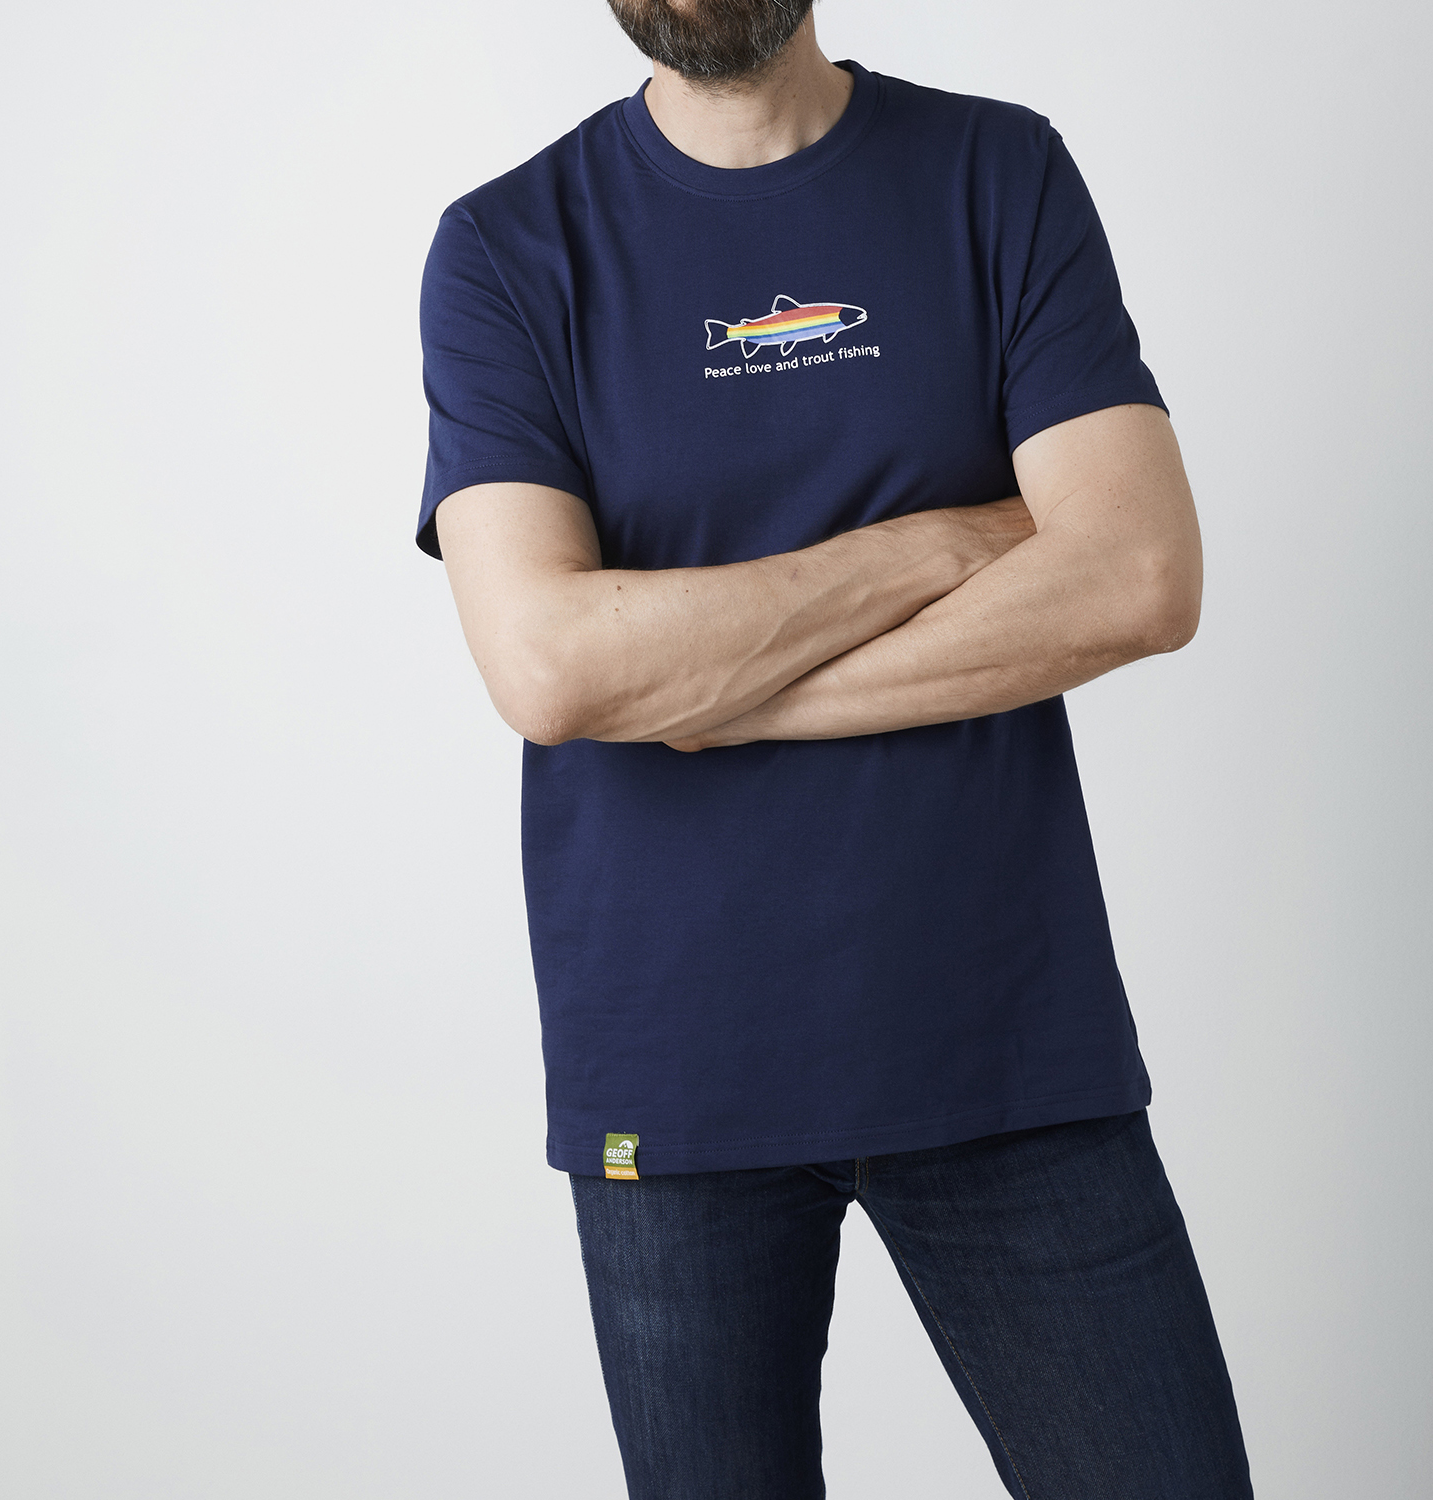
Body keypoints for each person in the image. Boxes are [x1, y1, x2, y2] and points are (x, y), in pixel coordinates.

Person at [416, 3, 1253, 1495]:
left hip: (1004, 1039)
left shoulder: (996, 172)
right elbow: (549, 667)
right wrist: (938, 543)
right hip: (676, 1070)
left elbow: (1136, 576)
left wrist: (713, 692)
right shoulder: (507, 247)